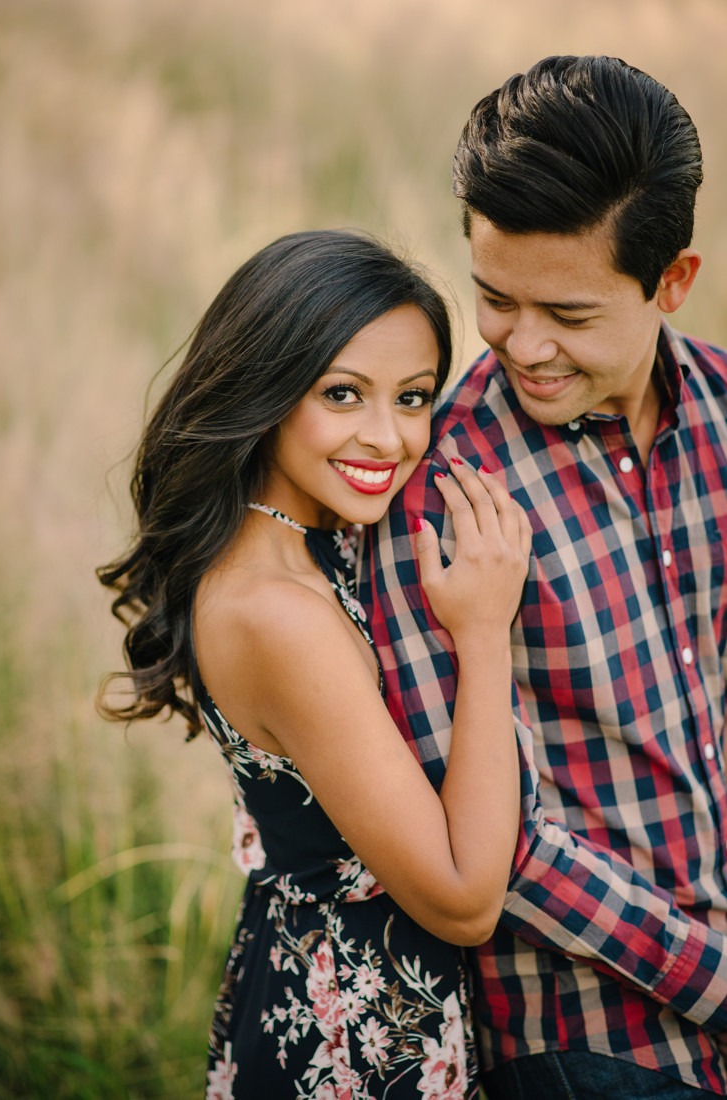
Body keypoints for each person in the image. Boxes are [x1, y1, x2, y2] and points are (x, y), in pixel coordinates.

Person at [363, 55, 727, 1098]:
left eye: (566, 315)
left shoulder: (717, 418)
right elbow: (496, 843)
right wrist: (712, 978)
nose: (521, 344)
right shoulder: (434, 489)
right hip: (589, 1033)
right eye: (491, 298)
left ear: (671, 282)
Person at [96, 228, 531, 1098]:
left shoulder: (313, 544)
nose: (388, 438)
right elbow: (462, 897)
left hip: (334, 994)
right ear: (266, 392)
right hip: (352, 1047)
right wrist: (484, 634)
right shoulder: (277, 613)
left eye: (413, 398)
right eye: (343, 394)